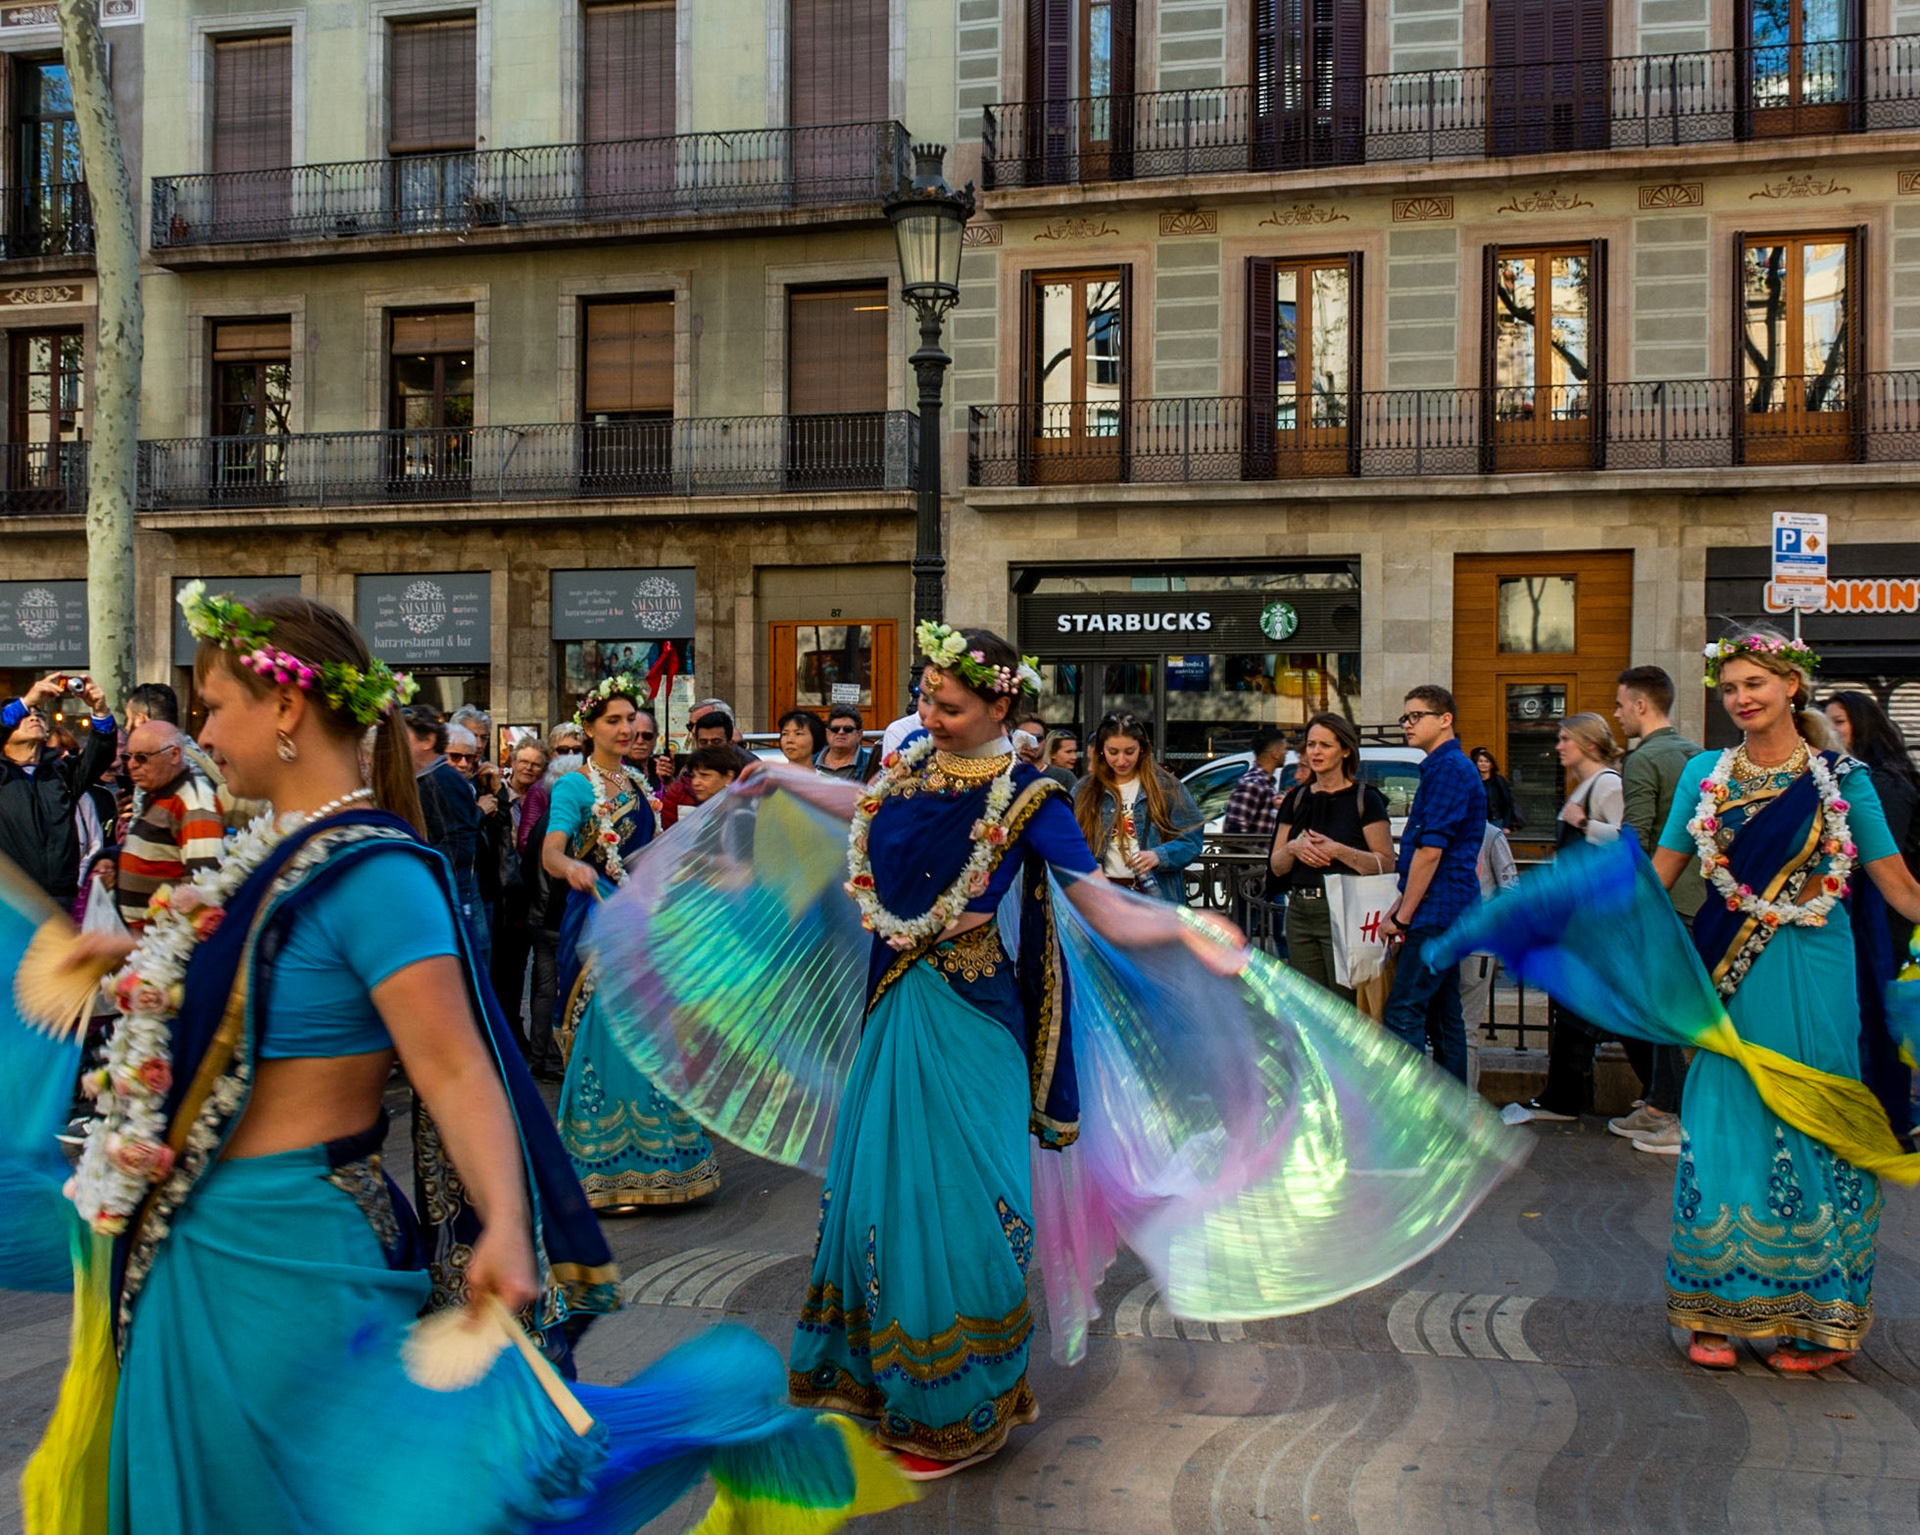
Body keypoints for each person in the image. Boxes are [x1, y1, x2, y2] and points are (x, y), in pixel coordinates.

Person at [11, 586, 901, 1533]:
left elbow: (455, 1064)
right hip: (202, 1250)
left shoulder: (376, 872)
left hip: (282, 1253)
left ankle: (712, 1404)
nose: (201, 732)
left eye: (214, 706)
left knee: (364, 1499)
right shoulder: (268, 857)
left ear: (283, 708)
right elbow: (249, 1012)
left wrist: (508, 1225)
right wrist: (136, 965)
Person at [543, 678, 719, 1210]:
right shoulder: (575, 787)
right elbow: (551, 851)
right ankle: (604, 1169)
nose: (625, 730)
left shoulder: (640, 785)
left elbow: (653, 854)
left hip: (644, 924)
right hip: (598, 922)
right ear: (590, 728)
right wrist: (571, 864)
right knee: (609, 1037)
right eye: (614, 721)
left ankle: (662, 1163)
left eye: (631, 722)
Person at [1606, 665, 1706, 1153]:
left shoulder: (1643, 760)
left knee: (1668, 1014)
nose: (1617, 713)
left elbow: (1636, 837)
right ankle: (1662, 1105)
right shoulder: (1696, 754)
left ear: (1642, 705)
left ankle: (1672, 1114)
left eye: (1621, 704)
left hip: (1662, 902)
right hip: (1700, 898)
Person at [1516, 712, 1626, 1122]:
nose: (1558, 746)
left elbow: (1623, 842)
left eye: (1566, 739)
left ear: (1590, 744)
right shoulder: (1586, 785)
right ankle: (1561, 1096)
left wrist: (1585, 824)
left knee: (1581, 1007)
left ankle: (1564, 1098)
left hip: (1591, 917)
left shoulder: (1607, 784)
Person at [1822, 688, 1920, 1135]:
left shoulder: (1885, 782)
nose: (1832, 731)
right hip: (1868, 916)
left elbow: (1884, 860)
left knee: (1883, 1018)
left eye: (1839, 721)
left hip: (1888, 921)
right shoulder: (1859, 778)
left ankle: (1890, 1119)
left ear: (1863, 724)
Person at [1379, 685, 1487, 1083]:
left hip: (1438, 911)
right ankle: (1451, 1117)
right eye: (1404, 717)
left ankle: (1414, 1114)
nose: (1407, 724)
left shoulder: (1449, 769)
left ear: (1445, 720)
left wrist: (1404, 917)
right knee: (1443, 1017)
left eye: (1415, 716)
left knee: (1403, 1011)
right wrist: (1401, 907)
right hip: (1445, 908)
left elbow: (1430, 851)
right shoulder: (1442, 768)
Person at [1267, 713, 1393, 1003]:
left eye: (1325, 745)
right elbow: (1276, 864)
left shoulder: (1366, 799)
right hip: (1299, 909)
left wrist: (1337, 850)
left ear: (1345, 750)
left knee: (1343, 1003)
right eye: (1311, 745)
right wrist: (1293, 849)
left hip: (1345, 910)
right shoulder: (1296, 798)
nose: (1315, 752)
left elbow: (1385, 864)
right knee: (1308, 1005)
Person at [0, 673, 117, 905]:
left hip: (62, 901)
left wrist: (100, 711)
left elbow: (100, 755)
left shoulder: (60, 772)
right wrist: (26, 702)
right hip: (13, 905)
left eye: (39, 714)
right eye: (26, 715)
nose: (34, 717)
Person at [1073, 712, 1205, 903]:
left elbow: (1192, 839)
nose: (1121, 761)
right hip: (1102, 897)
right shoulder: (1085, 789)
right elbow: (1065, 840)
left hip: (1154, 896)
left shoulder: (1166, 786)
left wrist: (1158, 856)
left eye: (1129, 752)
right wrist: (1086, 865)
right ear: (1101, 750)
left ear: (1142, 749)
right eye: (1113, 752)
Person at [114, 723, 225, 935]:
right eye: (129, 757)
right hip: (146, 939)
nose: (131, 766)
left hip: (166, 943)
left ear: (174, 755)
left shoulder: (193, 799)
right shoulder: (158, 794)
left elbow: (203, 883)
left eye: (142, 758)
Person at [405, 707, 486, 966]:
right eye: (456, 756)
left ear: (428, 741)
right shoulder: (426, 779)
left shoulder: (444, 779)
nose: (464, 764)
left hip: (451, 893)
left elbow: (457, 845)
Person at [487, 741, 549, 1058]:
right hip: (504, 893)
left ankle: (519, 1031)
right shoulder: (497, 797)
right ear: (512, 762)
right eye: (523, 761)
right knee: (506, 967)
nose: (528, 768)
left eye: (536, 764)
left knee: (524, 966)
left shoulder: (544, 799)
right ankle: (507, 1031)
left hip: (532, 890)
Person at [660, 707, 736, 827]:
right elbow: (669, 838)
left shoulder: (748, 787)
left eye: (716, 742)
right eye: (703, 742)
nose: (709, 748)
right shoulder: (678, 792)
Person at [1224, 726, 1288, 839]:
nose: (1286, 753)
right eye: (1284, 749)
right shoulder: (1252, 784)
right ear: (1275, 753)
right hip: (1253, 855)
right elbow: (1234, 833)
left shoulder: (1265, 784)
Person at [814, 706, 875, 781]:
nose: (841, 732)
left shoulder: (872, 765)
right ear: (827, 733)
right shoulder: (810, 762)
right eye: (835, 729)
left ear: (859, 734)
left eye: (847, 729)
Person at [1470, 747, 1522, 832]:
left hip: (1495, 821)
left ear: (1491, 764)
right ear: (1476, 764)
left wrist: (1506, 825)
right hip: (1476, 822)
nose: (1483, 764)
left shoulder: (1498, 781)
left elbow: (1508, 803)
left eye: (1486, 761)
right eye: (1480, 761)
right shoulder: (1472, 781)